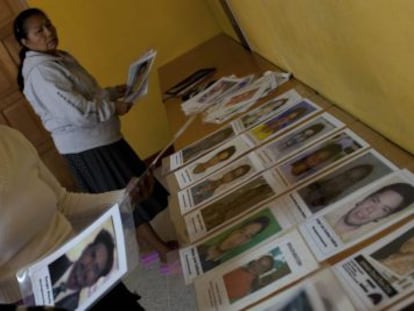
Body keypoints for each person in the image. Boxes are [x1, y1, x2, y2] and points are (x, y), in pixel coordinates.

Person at [13, 8, 174, 261]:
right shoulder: (41, 73)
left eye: (49, 24)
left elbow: (84, 93)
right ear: (25, 41)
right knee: (123, 195)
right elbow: (78, 112)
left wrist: (111, 93)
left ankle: (149, 247)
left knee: (132, 187)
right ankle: (161, 251)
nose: (48, 32)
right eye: (39, 30)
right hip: (87, 147)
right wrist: (114, 107)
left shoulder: (58, 57)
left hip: (102, 138)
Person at [0, 124, 148, 309]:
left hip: (86, 270)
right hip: (35, 302)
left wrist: (124, 197)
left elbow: (63, 203)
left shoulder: (11, 138)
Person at [50, 229, 116, 310]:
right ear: (86, 249)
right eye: (92, 255)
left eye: (95, 269)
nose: (88, 266)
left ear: (94, 281)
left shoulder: (74, 308)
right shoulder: (54, 256)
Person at [329, 183, 414, 241]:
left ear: (383, 217)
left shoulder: (356, 242)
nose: (370, 209)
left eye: (384, 209)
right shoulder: (328, 210)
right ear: (364, 199)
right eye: (374, 200)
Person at [198, 216, 270, 271]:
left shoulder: (218, 268)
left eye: (246, 237)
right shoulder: (201, 244)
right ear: (234, 230)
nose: (237, 238)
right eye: (241, 231)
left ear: (245, 243)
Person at [298, 164, 374, 213]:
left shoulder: (325, 208)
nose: (342, 180)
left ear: (353, 184)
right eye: (346, 175)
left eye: (350, 180)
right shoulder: (305, 182)